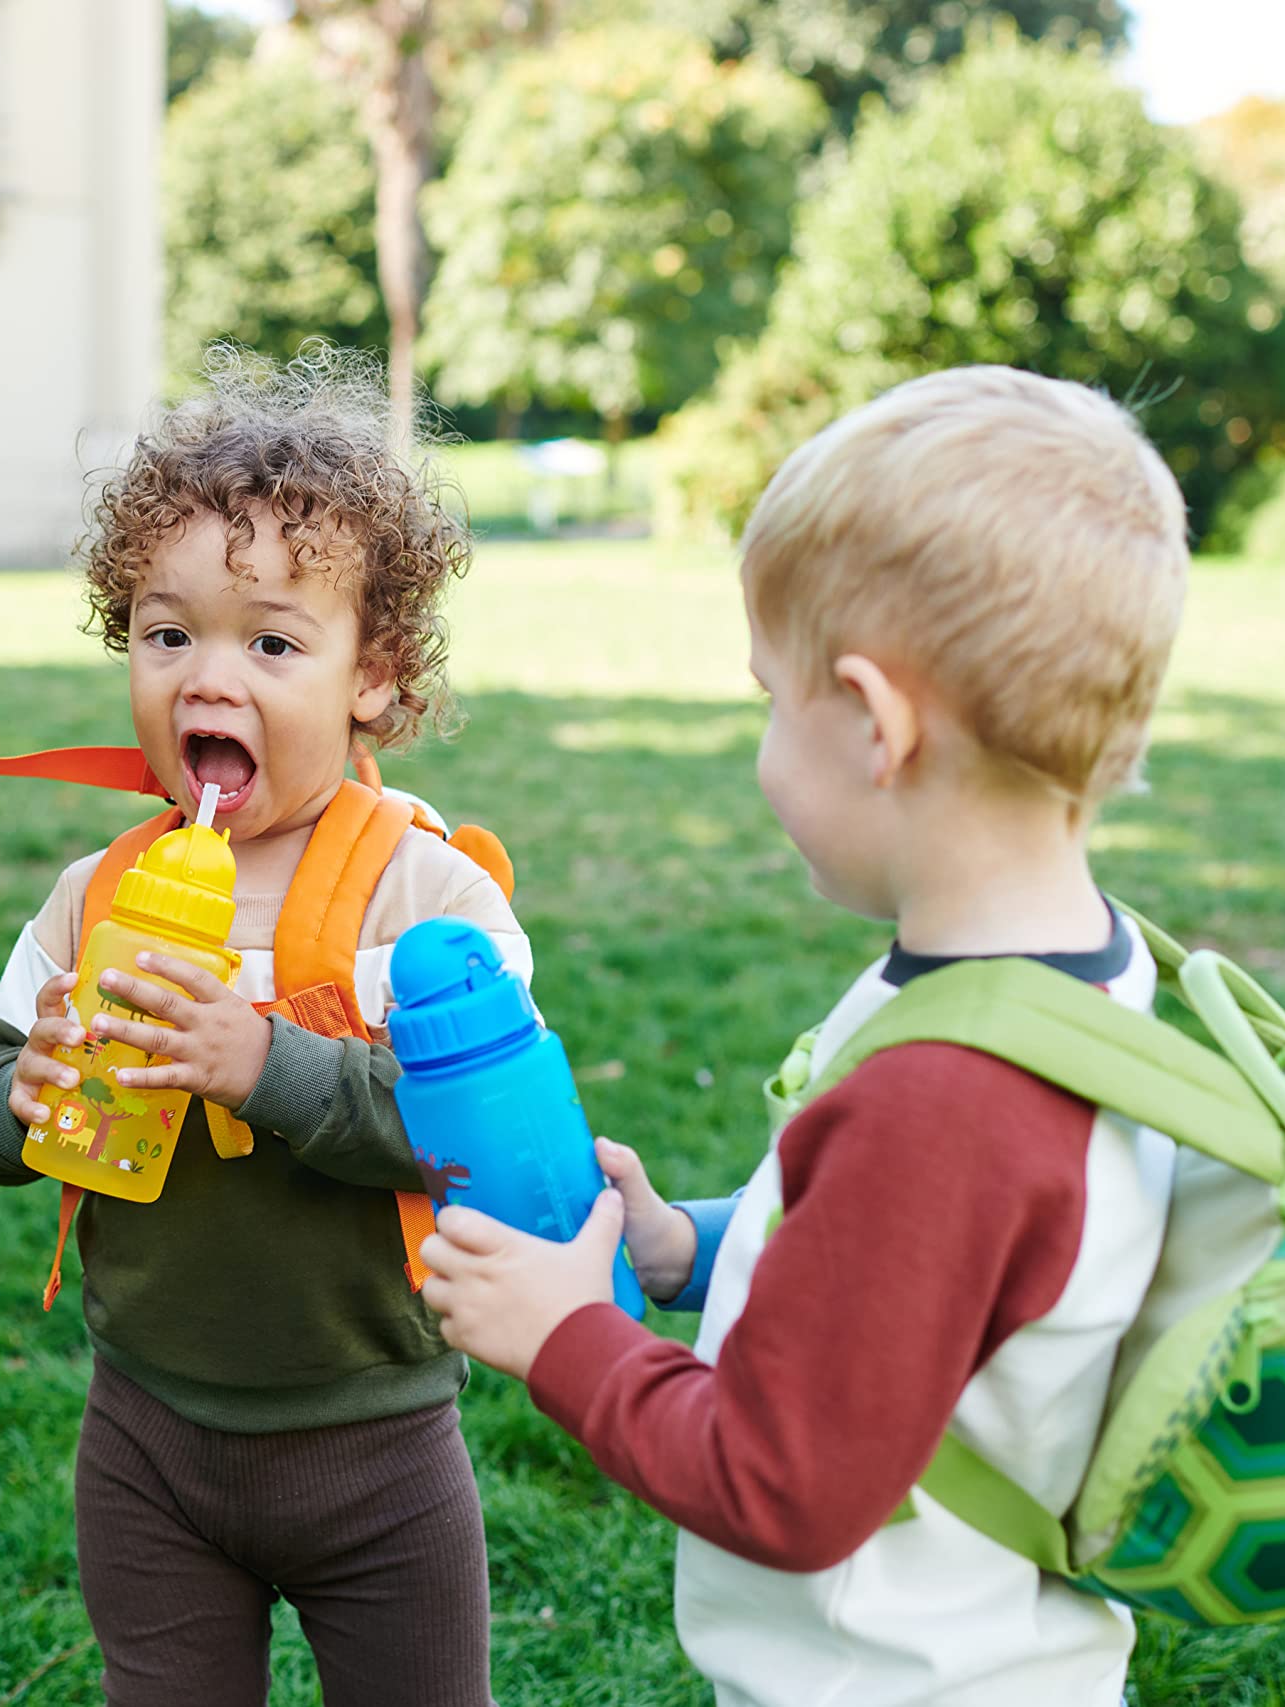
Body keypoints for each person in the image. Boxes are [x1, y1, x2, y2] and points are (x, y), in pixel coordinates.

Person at [420, 365, 1193, 1706]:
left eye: (770, 701)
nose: (766, 746)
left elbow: (780, 1487)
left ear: (873, 723)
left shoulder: (947, 1096)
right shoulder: (1071, 980)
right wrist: (687, 1249)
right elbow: (932, 1289)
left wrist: (566, 1339)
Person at [0, 349, 520, 1707]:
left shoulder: (430, 897)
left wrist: (264, 1065)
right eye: (167, 632)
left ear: (373, 675)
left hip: (374, 1448)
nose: (210, 676)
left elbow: (476, 1138)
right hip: (145, 1438)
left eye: (271, 641)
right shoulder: (101, 893)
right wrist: (15, 1097)